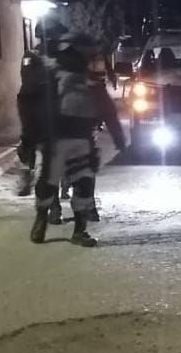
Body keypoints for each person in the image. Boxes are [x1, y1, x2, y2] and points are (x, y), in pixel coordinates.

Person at [30, 32, 125, 247]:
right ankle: (73, 229)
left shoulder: (54, 75)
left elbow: (31, 107)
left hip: (64, 139)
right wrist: (119, 140)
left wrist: (30, 138)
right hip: (72, 139)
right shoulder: (68, 77)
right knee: (79, 183)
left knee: (56, 182)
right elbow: (108, 110)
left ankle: (46, 222)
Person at [15, 21, 65, 197]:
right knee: (50, 145)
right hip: (42, 105)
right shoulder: (55, 58)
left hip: (29, 104)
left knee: (29, 141)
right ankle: (48, 184)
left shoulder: (31, 56)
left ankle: (29, 176)